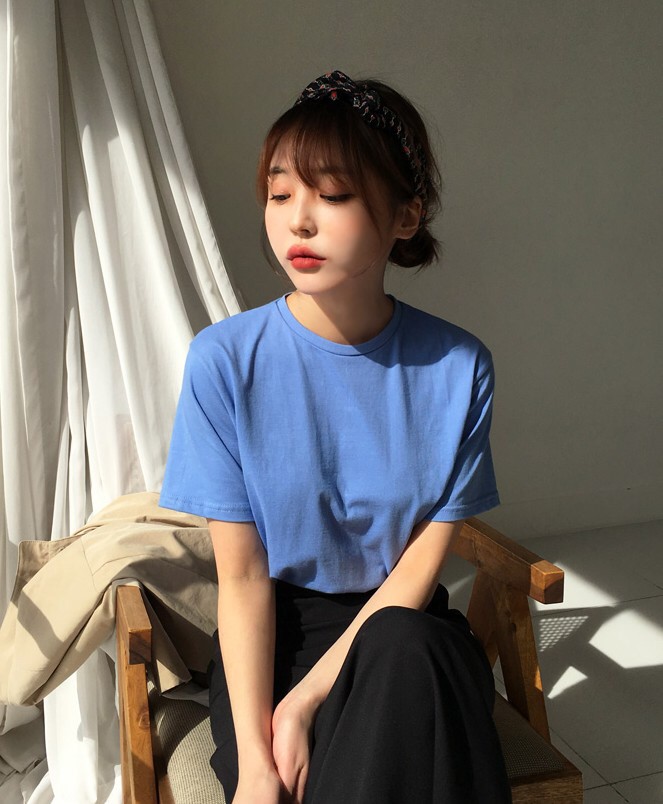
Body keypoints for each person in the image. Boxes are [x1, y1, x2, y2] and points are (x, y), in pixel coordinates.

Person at [159, 70, 511, 804]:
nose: (298, 221)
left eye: (334, 195)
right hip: (274, 640)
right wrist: (257, 757)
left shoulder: (458, 368)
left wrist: (307, 703)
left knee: (407, 651)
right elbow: (242, 579)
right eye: (279, 194)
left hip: (406, 627)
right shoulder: (225, 361)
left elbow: (417, 575)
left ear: (405, 216)